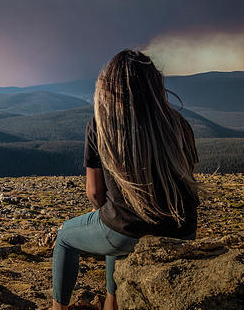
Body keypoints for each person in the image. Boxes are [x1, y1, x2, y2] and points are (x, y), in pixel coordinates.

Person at [51, 49, 200, 310]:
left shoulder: (101, 124)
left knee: (65, 236)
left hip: (127, 231)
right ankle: (113, 302)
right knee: (115, 218)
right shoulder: (178, 124)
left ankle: (58, 308)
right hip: (184, 230)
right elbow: (187, 176)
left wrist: (107, 214)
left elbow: (94, 192)